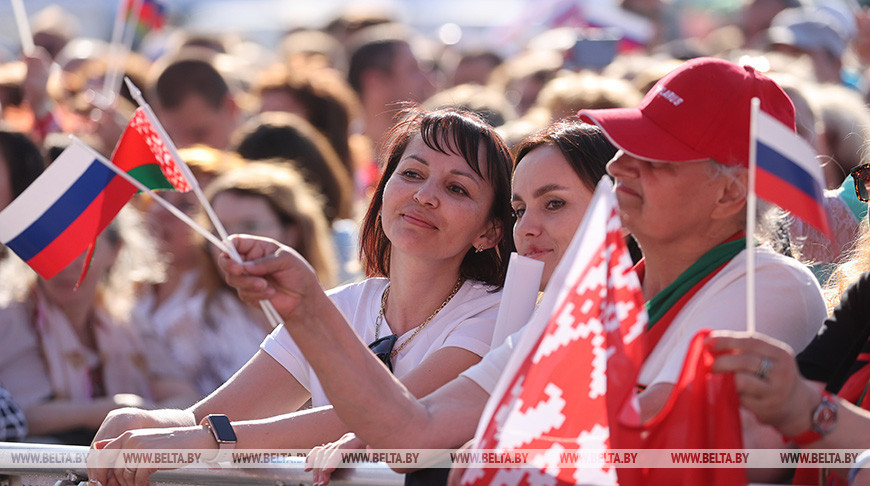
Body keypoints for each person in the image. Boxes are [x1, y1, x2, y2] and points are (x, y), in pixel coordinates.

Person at [208, 57, 825, 483]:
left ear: (729, 193)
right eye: (629, 148)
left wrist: (485, 440)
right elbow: (415, 427)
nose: (621, 169)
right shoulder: (584, 308)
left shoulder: (767, 285)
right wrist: (308, 308)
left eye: (656, 157)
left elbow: (644, 441)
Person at [87, 106, 514, 485]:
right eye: (412, 174)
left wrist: (206, 441)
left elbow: (388, 418)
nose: (424, 196)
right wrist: (141, 421)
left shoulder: (499, 315)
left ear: (490, 231)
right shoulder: (340, 304)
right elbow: (210, 416)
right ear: (383, 189)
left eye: (457, 188)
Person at [307, 118, 617, 484]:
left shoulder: (495, 313)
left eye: (554, 203)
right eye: (519, 210)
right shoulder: (546, 328)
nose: (527, 228)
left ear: (623, 206)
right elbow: (417, 428)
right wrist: (363, 438)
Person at [0, 209, 199, 445]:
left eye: (82, 247)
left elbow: (187, 400)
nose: (67, 263)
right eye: (52, 247)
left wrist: (142, 416)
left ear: (116, 251)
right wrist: (117, 409)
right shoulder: (12, 319)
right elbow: (23, 414)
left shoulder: (127, 322)